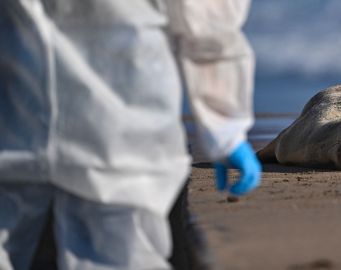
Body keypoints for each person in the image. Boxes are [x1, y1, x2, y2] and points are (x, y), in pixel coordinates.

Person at [0, 0, 261, 269]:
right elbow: (206, 23)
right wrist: (225, 126)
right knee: (119, 249)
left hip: (19, 111)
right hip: (123, 122)